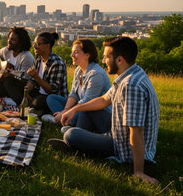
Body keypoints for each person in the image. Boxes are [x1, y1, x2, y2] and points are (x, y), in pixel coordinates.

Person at [48, 37, 159, 185]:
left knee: (70, 134)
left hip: (123, 145)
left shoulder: (131, 85)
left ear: (119, 60)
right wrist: (74, 109)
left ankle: (76, 143)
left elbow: (136, 131)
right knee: (87, 107)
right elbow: (104, 100)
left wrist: (138, 171)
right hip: (117, 129)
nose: (103, 60)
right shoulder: (129, 74)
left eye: (107, 57)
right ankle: (79, 141)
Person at [44, 39, 111, 133]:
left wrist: (68, 112)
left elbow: (87, 102)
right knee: (51, 98)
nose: (71, 55)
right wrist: (66, 110)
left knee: (83, 112)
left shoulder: (96, 74)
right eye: (72, 52)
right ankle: (65, 120)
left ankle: (65, 122)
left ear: (87, 55)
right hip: (79, 107)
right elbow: (73, 95)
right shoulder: (78, 70)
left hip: (92, 111)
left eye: (75, 52)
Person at [25, 32, 68, 114]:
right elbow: (32, 80)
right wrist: (25, 93)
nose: (34, 46)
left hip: (51, 98)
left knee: (39, 101)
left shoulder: (57, 63)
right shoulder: (38, 58)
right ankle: (32, 105)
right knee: (14, 84)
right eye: (34, 43)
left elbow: (51, 91)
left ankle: (31, 106)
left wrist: (37, 77)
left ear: (47, 45)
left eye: (38, 44)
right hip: (38, 93)